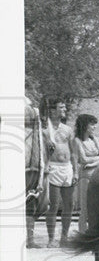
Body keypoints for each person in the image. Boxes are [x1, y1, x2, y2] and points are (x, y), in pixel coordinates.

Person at [41, 99, 76, 248]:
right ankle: (51, 239)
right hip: (53, 167)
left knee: (69, 204)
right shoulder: (45, 129)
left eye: (64, 108)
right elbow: (42, 150)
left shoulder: (68, 129)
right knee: (54, 205)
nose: (64, 110)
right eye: (61, 107)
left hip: (67, 167)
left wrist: (75, 171)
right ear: (52, 110)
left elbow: (73, 152)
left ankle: (64, 237)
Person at [71, 113, 99, 234]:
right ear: (85, 126)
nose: (95, 127)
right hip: (85, 177)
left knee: (97, 207)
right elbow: (82, 159)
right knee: (85, 209)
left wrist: (91, 163)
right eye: (92, 125)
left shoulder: (95, 139)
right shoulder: (77, 141)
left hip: (97, 175)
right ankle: (82, 235)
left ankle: (93, 234)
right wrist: (96, 159)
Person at [24, 100, 47, 249]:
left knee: (31, 204)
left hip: (33, 170)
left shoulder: (38, 134)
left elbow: (45, 154)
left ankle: (30, 239)